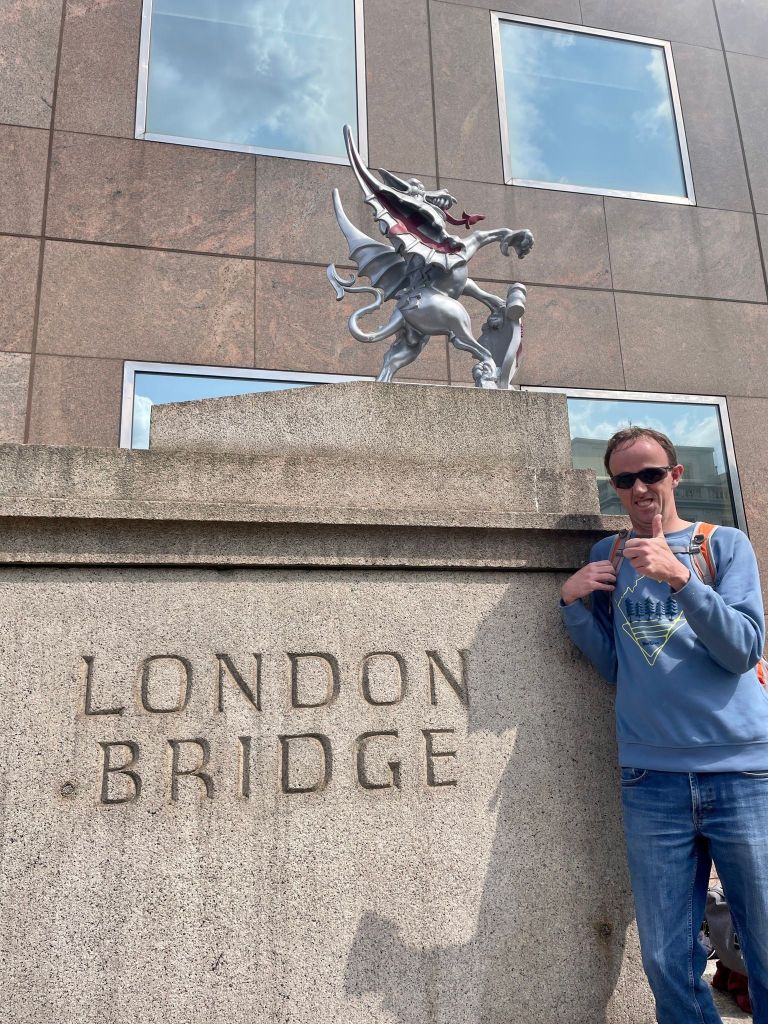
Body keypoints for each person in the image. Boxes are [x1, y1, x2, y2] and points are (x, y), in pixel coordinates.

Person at [559, 426, 768, 1024]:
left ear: (675, 475)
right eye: (625, 479)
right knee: (665, 957)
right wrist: (573, 606)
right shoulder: (609, 555)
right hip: (651, 779)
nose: (639, 488)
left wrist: (681, 578)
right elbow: (618, 666)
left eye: (651, 473)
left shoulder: (721, 545)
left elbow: (743, 648)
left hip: (741, 772)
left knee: (764, 942)